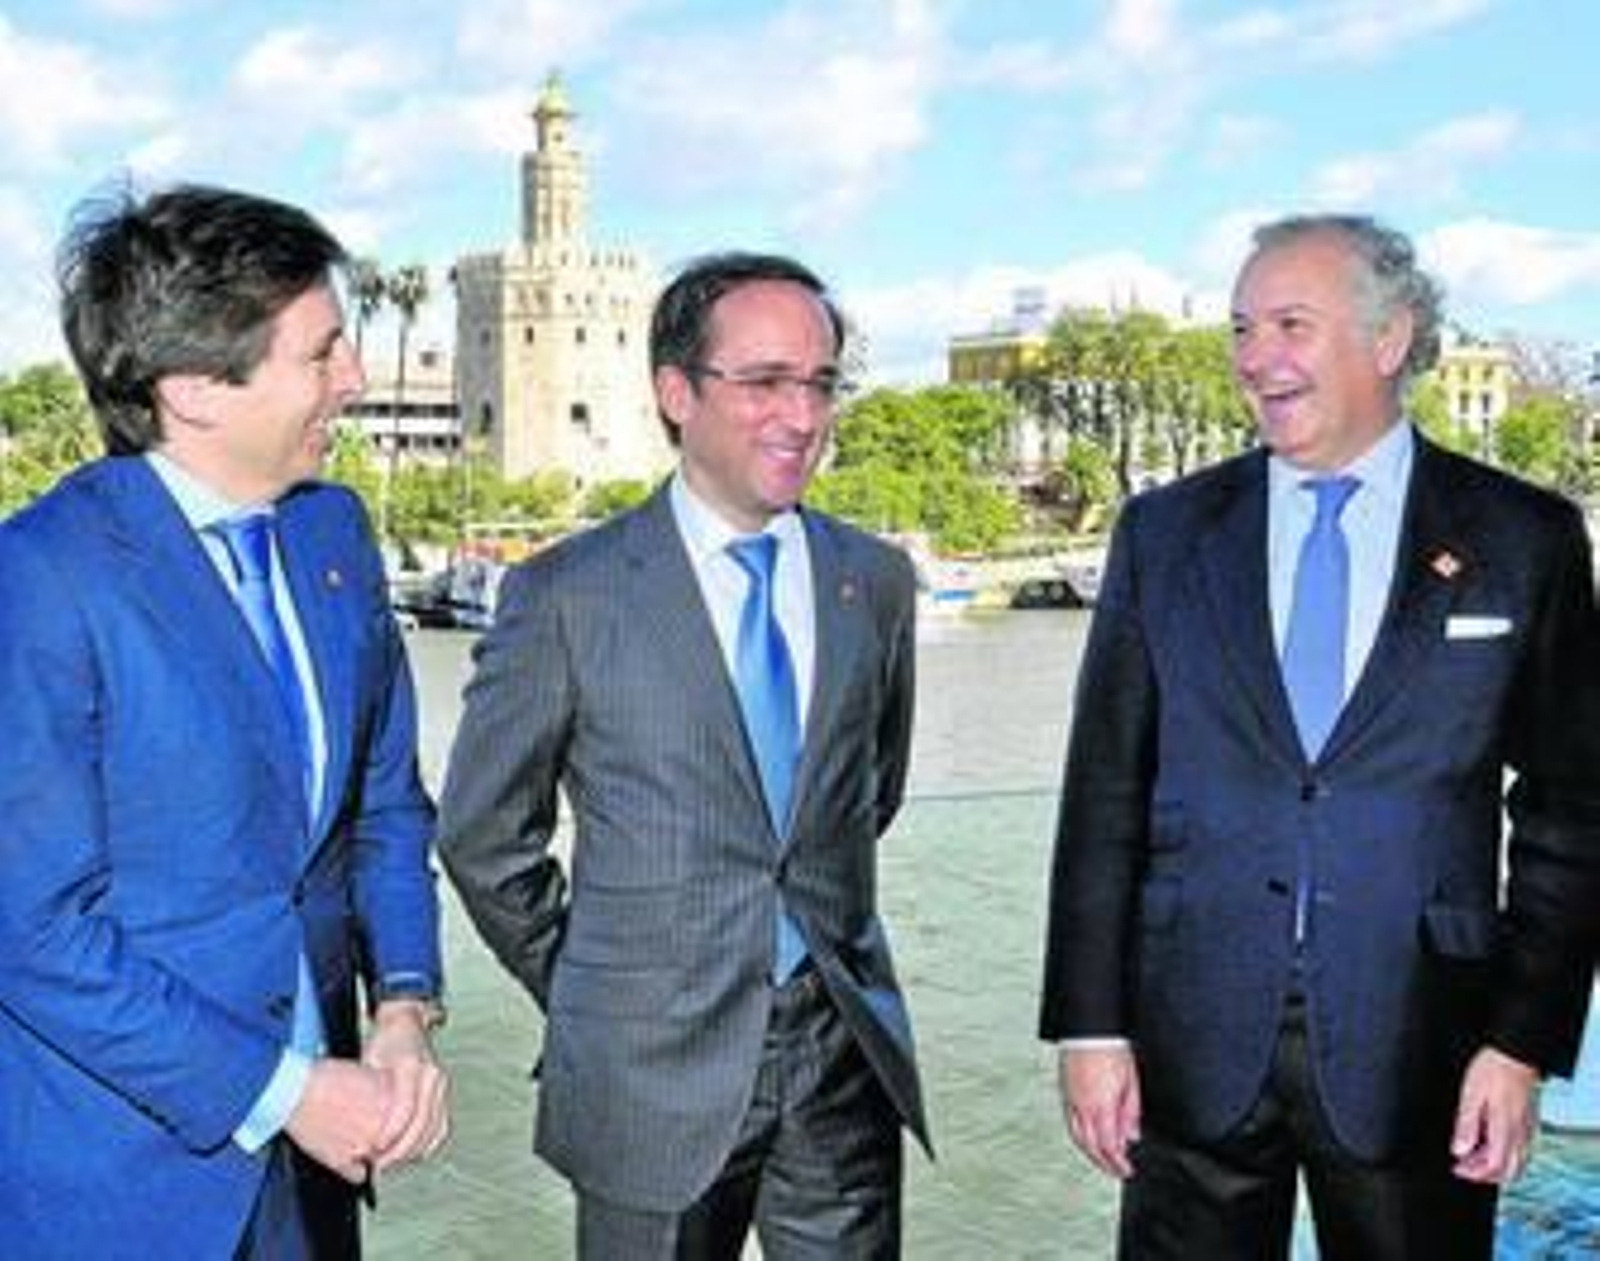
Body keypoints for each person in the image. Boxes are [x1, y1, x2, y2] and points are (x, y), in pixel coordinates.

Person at [1038, 213, 1600, 1259]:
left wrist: (1520, 1042)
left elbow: (1573, 812)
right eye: (1241, 329)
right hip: (1187, 1042)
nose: (1255, 358)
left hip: (1425, 1046)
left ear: (1390, 339)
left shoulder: (1526, 538)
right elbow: (1106, 789)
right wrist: (1089, 1023)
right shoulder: (1163, 533)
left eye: (1289, 324)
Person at [437, 251, 929, 1258]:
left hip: (842, 1061)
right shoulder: (566, 596)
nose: (802, 414)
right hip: (644, 1075)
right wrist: (598, 989)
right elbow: (483, 837)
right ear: (675, 392)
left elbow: (865, 795)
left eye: (820, 382)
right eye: (765, 382)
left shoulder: (874, 581)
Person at [0, 183, 449, 1258]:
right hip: (119, 1188)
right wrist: (287, 1090)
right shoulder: (39, 578)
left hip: (323, 1167)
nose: (354, 377)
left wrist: (403, 1008)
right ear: (194, 388)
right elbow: (31, 929)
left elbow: (384, 807)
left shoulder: (334, 532)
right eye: (321, 353)